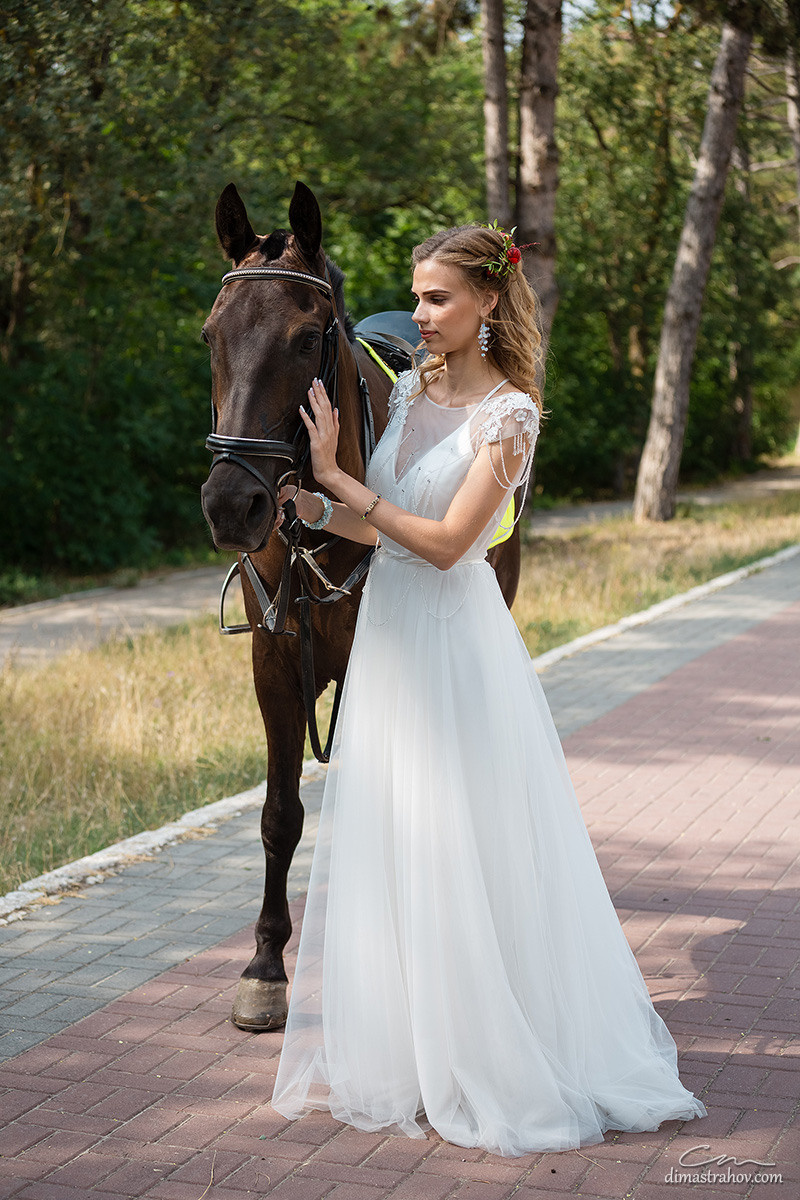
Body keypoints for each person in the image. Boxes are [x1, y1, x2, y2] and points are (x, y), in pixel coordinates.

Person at [269, 223, 707, 1157]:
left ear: (490, 303)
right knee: (399, 838)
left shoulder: (510, 416)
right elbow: (377, 526)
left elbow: (445, 543)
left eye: (437, 299)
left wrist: (343, 477)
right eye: (416, 297)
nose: (419, 316)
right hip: (390, 646)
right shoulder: (413, 395)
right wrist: (313, 506)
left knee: (464, 843)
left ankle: (497, 1050)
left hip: (454, 651)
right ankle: (419, 1048)